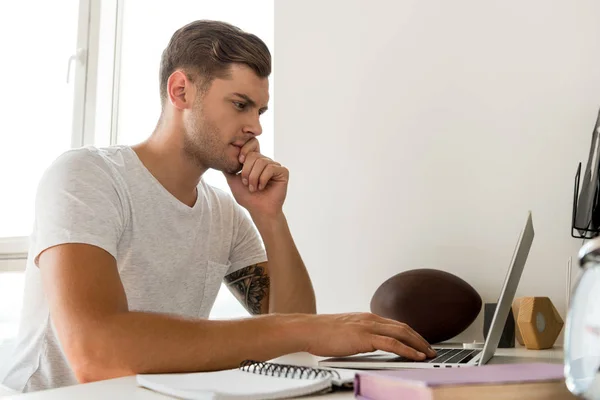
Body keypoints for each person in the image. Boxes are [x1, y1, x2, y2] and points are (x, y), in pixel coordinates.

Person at [1, 20, 435, 393]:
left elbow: (291, 338)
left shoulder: (224, 213)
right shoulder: (87, 177)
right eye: (240, 104)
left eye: (261, 110)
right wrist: (309, 328)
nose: (255, 126)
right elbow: (95, 353)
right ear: (181, 90)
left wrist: (269, 217)